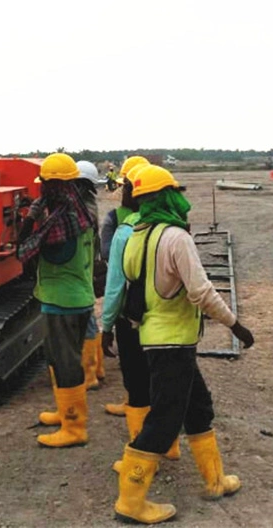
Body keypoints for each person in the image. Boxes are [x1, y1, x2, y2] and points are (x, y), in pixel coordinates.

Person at [115, 165, 255, 524]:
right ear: (166, 196)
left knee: (198, 408)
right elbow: (201, 291)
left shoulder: (135, 236)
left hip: (156, 339)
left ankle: (215, 481)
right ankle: (130, 502)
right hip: (172, 343)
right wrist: (234, 325)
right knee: (163, 421)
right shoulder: (176, 238)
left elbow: (133, 290)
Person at [101, 161, 181, 468]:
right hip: (168, 321)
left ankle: (141, 457)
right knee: (163, 386)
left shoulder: (123, 230)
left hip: (132, 320)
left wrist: (106, 325)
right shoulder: (175, 225)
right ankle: (170, 445)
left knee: (137, 387)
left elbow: (115, 284)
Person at [17, 152, 95, 448]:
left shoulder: (60, 225)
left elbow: (26, 248)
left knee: (65, 363)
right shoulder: (81, 213)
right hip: (78, 297)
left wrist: (31, 219)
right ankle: (66, 412)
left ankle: (75, 428)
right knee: (61, 359)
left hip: (63, 303)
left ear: (51, 187)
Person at [98, 154, 148, 416]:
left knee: (134, 366)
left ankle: (136, 409)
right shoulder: (172, 220)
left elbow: (113, 275)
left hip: (130, 309)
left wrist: (107, 325)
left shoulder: (118, 222)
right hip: (162, 310)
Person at [76, 160, 106, 390]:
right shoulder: (90, 202)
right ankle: (97, 368)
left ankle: (89, 374)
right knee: (89, 314)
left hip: (83, 262)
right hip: (89, 261)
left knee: (85, 313)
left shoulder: (82, 207)